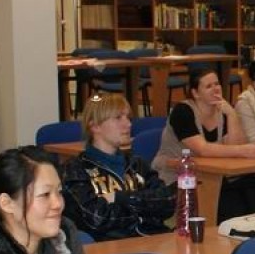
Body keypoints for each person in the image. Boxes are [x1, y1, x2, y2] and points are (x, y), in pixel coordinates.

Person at [59, 93, 172, 240]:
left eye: (128, 117)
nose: (128, 124)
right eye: (118, 118)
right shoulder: (75, 170)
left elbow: (167, 202)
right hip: (110, 248)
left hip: (152, 240)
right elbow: (96, 218)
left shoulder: (137, 164)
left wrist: (118, 197)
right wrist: (143, 212)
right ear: (95, 126)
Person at [152, 67, 255, 199]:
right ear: (195, 93)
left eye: (217, 84)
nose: (216, 89)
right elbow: (202, 149)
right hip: (176, 178)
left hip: (211, 176)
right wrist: (242, 151)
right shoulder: (182, 111)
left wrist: (232, 115)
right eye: (209, 86)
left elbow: (234, 146)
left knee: (251, 192)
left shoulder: (223, 111)